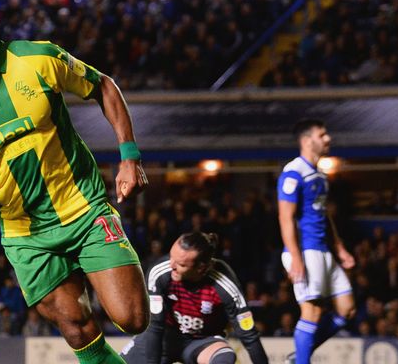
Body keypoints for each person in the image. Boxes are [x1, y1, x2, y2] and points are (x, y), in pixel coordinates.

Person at [0, 0, 149, 364]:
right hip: (24, 234)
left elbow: (104, 86)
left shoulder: (38, 58)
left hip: (83, 208)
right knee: (76, 326)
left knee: (133, 318)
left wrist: (129, 156)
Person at [121, 232, 268, 364]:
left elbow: (248, 335)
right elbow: (155, 327)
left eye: (181, 264)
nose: (171, 265)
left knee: (224, 358)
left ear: (201, 268)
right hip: (166, 337)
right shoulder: (161, 273)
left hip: (203, 341)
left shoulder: (224, 283)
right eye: (171, 256)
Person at [277, 119, 355, 364]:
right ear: (307, 140)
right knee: (312, 312)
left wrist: (339, 247)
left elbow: (323, 213)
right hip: (305, 250)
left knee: (347, 309)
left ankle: (300, 356)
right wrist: (296, 257)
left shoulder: (320, 174)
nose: (328, 138)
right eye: (323, 135)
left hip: (323, 250)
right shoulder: (293, 172)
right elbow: (285, 217)